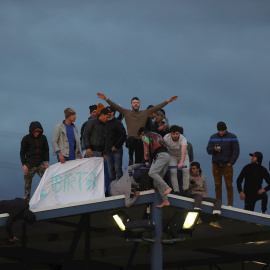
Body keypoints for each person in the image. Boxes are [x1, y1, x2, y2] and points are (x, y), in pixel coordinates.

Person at [97, 92, 178, 164]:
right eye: (134, 103)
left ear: (139, 104)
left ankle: (139, 172)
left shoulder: (145, 113)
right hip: (131, 140)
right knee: (131, 141)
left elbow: (157, 107)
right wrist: (106, 99)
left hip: (142, 140)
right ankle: (130, 159)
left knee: (140, 161)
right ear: (131, 104)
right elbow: (115, 106)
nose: (136, 104)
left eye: (137, 103)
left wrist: (168, 101)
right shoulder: (127, 112)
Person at [206, 121, 240, 206]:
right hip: (216, 164)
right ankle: (218, 203)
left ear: (225, 129)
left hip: (227, 164)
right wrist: (214, 149)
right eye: (219, 131)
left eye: (222, 131)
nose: (220, 132)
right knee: (217, 185)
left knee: (229, 185)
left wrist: (231, 163)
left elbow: (236, 151)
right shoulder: (213, 137)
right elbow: (208, 150)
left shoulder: (233, 137)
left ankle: (230, 205)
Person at [138, 127, 171, 208]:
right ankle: (165, 200)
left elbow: (146, 149)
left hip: (160, 156)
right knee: (157, 182)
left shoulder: (145, 136)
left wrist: (146, 160)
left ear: (141, 134)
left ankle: (167, 187)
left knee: (152, 173)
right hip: (167, 156)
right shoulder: (158, 135)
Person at [20, 121, 50, 201]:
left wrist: (46, 161)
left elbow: (46, 150)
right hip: (29, 163)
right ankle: (26, 201)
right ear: (32, 131)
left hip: (40, 163)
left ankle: (48, 197)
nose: (37, 133)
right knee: (27, 183)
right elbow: (22, 152)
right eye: (35, 132)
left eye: (38, 132)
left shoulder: (43, 138)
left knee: (47, 179)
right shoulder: (26, 139)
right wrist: (24, 165)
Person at [187, 162, 222, 229]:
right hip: (193, 194)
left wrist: (205, 197)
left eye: (194, 168)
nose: (192, 170)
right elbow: (186, 187)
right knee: (198, 196)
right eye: (191, 168)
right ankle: (197, 217)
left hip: (202, 196)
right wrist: (192, 182)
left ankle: (215, 220)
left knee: (218, 201)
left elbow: (205, 188)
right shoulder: (188, 175)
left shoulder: (202, 176)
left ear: (198, 169)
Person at [163, 125, 187, 195]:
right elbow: (191, 157)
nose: (175, 136)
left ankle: (174, 193)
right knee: (180, 182)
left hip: (176, 165)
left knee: (172, 177)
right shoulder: (188, 143)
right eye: (174, 134)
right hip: (180, 167)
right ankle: (179, 194)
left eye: (177, 134)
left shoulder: (185, 142)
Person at [105, 106, 127, 180]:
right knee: (110, 170)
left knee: (118, 169)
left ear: (112, 113)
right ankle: (112, 189)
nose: (106, 113)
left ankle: (120, 187)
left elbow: (123, 135)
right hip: (107, 151)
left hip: (117, 150)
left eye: (108, 112)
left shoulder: (117, 122)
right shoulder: (104, 123)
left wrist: (116, 146)